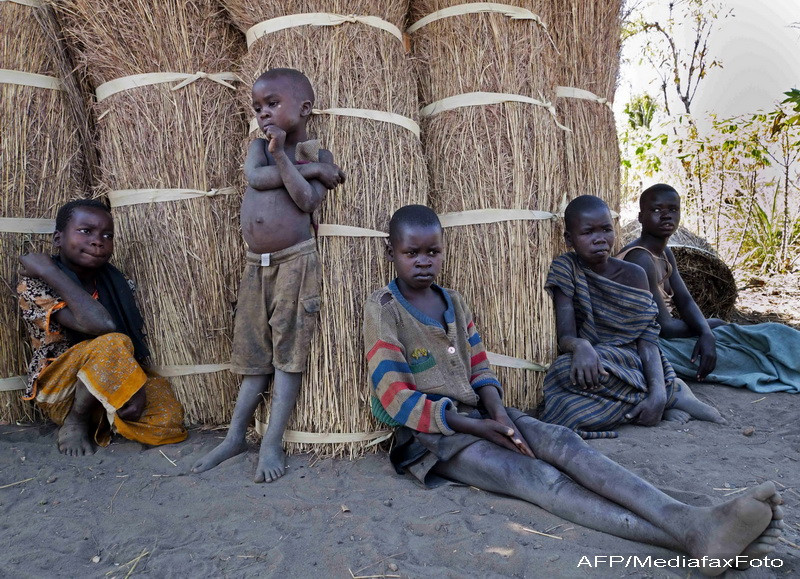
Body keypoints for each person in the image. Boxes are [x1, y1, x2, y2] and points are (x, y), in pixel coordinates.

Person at [363, 204, 782, 574]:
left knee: (565, 443)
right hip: (433, 437)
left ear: (442, 251)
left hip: (481, 417)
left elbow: (479, 366)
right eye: (411, 253)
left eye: (432, 252)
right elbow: (395, 397)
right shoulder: (384, 310)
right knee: (538, 477)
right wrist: (477, 428)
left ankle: (693, 519)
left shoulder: (452, 300)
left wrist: (500, 414)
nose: (423, 262)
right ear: (392, 254)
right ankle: (688, 537)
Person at [192, 68, 345, 482]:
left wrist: (299, 163)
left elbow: (307, 201)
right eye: (257, 107)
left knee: (287, 356)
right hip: (254, 267)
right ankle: (235, 435)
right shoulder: (259, 150)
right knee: (253, 356)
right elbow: (255, 179)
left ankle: (273, 441)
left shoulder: (318, 155)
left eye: (272, 104)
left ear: (304, 108)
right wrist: (298, 165)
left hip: (295, 263)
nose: (263, 114)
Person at [539, 195, 725, 438]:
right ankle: (667, 399)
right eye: (588, 233)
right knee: (562, 372)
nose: (599, 239)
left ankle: (662, 396)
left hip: (635, 363)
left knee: (575, 397)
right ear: (569, 239)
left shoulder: (634, 274)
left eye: (606, 229)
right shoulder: (566, 269)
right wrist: (580, 345)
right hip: (597, 363)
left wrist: (656, 390)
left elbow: (648, 340)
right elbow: (566, 335)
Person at [17, 199, 187, 456]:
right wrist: (49, 271)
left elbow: (123, 344)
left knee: (168, 421)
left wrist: (134, 384)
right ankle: (76, 420)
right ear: (58, 239)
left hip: (111, 376)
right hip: (62, 389)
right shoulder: (36, 285)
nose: (98, 241)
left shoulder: (117, 283)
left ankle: (108, 418)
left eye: (107, 235)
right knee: (111, 341)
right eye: (86, 231)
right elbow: (101, 326)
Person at [618, 184, 800, 393]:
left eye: (673, 210)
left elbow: (685, 301)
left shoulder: (664, 253)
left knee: (772, 331)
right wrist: (710, 325)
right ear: (641, 217)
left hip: (670, 338)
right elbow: (665, 327)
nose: (666, 216)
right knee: (745, 356)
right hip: (651, 346)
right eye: (657, 210)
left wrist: (705, 331)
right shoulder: (640, 258)